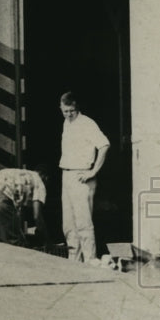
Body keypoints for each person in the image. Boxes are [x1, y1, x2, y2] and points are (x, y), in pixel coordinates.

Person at [58, 92, 109, 264]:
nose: (68, 114)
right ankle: (74, 262)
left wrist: (93, 171)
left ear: (77, 108)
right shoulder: (67, 123)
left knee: (83, 223)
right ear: (61, 108)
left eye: (71, 111)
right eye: (65, 111)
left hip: (82, 175)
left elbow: (104, 145)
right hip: (67, 174)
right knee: (69, 225)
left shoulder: (87, 123)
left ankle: (90, 261)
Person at [0, 165, 51, 247]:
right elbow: (37, 216)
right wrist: (46, 240)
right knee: (11, 244)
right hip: (0, 194)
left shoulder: (20, 174)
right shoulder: (39, 181)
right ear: (46, 177)